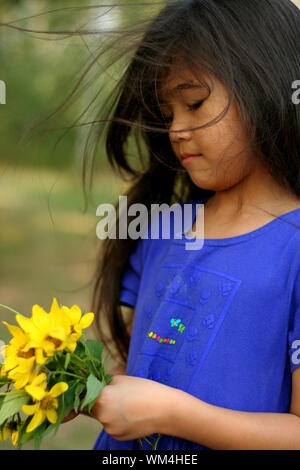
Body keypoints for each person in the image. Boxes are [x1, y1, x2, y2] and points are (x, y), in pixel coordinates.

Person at [63, 0, 300, 449]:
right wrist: (80, 385)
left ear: (266, 87)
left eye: (194, 103)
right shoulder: (161, 230)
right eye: (168, 112)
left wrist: (175, 415)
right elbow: (147, 366)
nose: (176, 129)